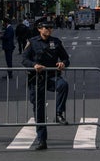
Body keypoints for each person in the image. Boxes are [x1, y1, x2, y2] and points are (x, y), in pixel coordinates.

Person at [23, 18, 71, 150]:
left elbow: (66, 58)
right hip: (37, 79)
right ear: (39, 29)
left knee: (63, 85)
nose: (49, 30)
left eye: (50, 27)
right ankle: (42, 140)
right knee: (39, 110)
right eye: (46, 27)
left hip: (52, 76)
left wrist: (63, 63)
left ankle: (59, 113)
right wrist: (34, 65)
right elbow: (24, 60)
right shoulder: (32, 42)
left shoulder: (55, 42)